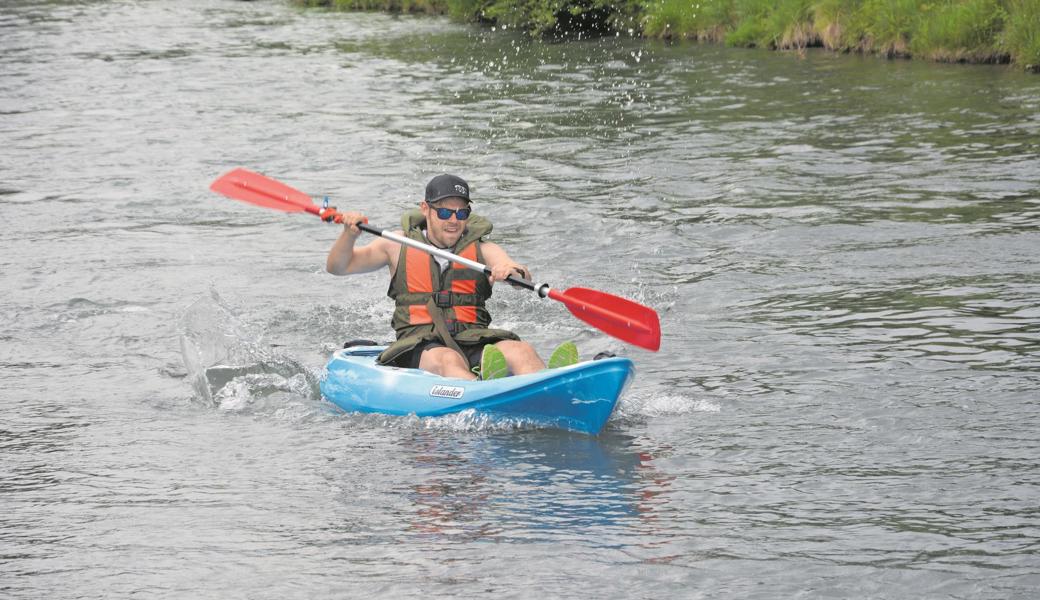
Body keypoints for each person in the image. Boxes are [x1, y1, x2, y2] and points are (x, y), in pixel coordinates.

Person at [325, 174, 550, 380]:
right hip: (418, 344)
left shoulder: (484, 249)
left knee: (521, 350)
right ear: (425, 209)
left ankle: (547, 392)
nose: (454, 220)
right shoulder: (396, 244)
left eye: (461, 213)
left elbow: (517, 271)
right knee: (447, 360)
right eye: (444, 212)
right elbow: (338, 267)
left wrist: (511, 271)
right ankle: (483, 395)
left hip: (471, 338)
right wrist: (349, 235)